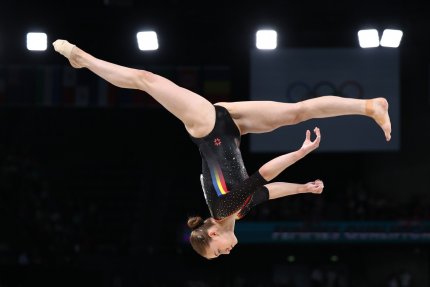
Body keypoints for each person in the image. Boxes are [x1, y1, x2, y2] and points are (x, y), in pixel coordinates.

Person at [52, 39, 392, 259]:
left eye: (217, 252)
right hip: (231, 128)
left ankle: (84, 59)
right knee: (296, 112)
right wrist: (303, 188)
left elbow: (265, 174)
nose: (226, 253)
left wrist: (301, 154)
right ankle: (369, 106)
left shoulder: (223, 208)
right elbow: (270, 191)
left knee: (146, 80)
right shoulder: (239, 211)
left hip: (205, 126)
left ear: (212, 233)